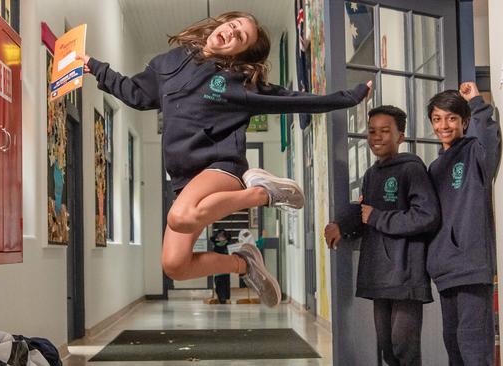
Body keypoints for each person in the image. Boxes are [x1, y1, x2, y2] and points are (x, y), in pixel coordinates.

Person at [78, 11, 371, 307]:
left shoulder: (237, 82)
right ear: (220, 24)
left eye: (240, 37)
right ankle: (244, 264)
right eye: (232, 26)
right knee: (174, 265)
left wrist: (348, 97)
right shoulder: (170, 63)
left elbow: (292, 99)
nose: (231, 33)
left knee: (179, 217)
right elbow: (137, 94)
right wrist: (93, 66)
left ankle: (262, 193)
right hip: (185, 178)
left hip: (221, 167)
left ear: (241, 53)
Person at [324, 106, 440, 366]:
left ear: (400, 135)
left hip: (406, 273)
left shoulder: (412, 169)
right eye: (372, 131)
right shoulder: (370, 175)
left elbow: (426, 216)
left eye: (385, 131)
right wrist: (342, 224)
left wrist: (377, 217)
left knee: (404, 348)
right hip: (378, 273)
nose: (377, 137)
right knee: (387, 349)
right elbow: (365, 212)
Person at [425, 82, 501, 365]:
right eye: (437, 119)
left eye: (451, 118)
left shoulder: (474, 153)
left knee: (474, 348)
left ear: (465, 121)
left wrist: (476, 101)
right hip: (445, 270)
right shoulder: (434, 167)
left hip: (471, 267)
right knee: (453, 346)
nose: (443, 125)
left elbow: (490, 141)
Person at [210, 229, 232, 304]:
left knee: (227, 283)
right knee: (219, 284)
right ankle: (222, 298)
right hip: (218, 270)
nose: (221, 238)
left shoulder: (228, 246)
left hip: (226, 269)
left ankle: (227, 297)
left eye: (223, 236)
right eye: (219, 236)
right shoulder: (216, 247)